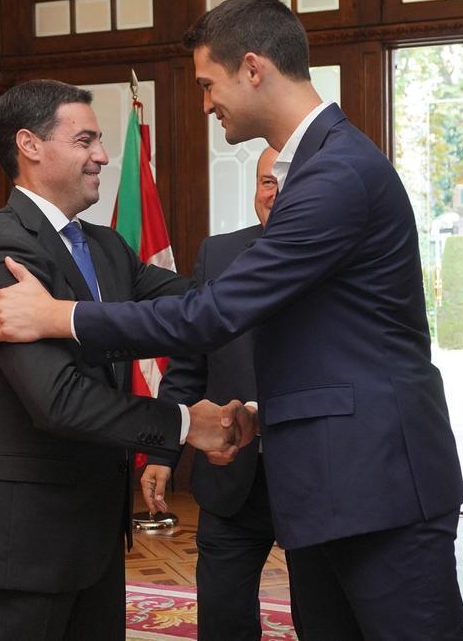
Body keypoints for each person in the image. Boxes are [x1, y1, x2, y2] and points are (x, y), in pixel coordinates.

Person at [0, 0, 463, 640]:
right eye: (86, 139)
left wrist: (60, 315)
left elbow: (212, 314)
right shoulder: (321, 166)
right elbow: (317, 332)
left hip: (375, 480)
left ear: (254, 68)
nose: (206, 103)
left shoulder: (334, 174)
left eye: (209, 83)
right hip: (334, 478)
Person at [0, 79, 254, 640]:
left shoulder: (107, 247)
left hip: (95, 532)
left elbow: (194, 305)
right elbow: (58, 401)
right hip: (28, 542)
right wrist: (186, 424)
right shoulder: (4, 252)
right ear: (30, 145)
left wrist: (288, 250)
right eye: (85, 139)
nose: (103, 156)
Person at [141, 146, 283, 641]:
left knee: (325, 616)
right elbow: (188, 362)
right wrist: (163, 450)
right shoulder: (218, 254)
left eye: (288, 179)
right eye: (267, 181)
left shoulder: (342, 257)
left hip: (313, 476)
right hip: (230, 475)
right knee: (222, 619)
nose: (275, 192)